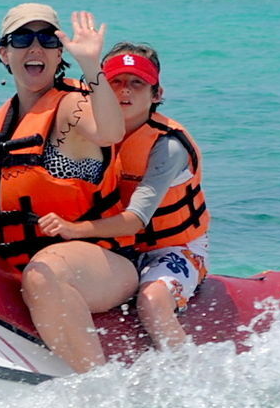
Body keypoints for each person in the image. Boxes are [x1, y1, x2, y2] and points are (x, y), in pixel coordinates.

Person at [0, 4, 134, 371]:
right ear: (4, 53)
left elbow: (110, 132)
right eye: (22, 38)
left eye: (47, 39)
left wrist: (92, 66)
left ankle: (98, 392)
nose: (35, 48)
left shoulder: (72, 104)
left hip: (96, 261)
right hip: (21, 262)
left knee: (45, 273)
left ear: (60, 53)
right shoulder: (0, 121)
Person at [32, 42, 208, 351]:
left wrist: (75, 230)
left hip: (173, 249)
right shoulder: (87, 132)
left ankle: (187, 376)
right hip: (117, 249)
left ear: (157, 94)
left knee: (152, 302)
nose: (125, 91)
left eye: (137, 83)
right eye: (115, 82)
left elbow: (136, 219)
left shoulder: (167, 147)